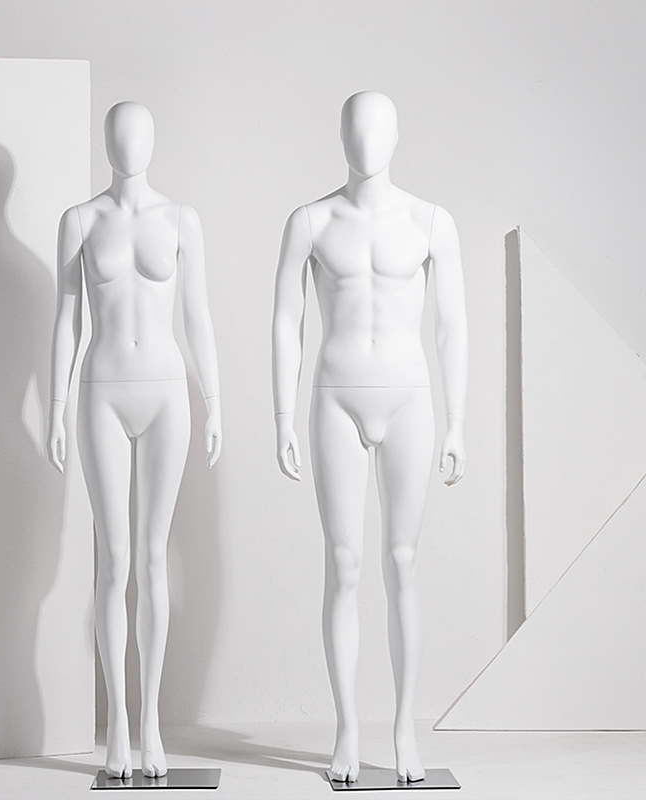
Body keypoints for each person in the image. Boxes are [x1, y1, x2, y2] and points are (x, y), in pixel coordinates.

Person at [271, 91, 467, 783]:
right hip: (336, 398)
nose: (367, 139)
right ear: (340, 134)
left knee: (403, 561)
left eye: (379, 127)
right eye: (355, 127)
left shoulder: (431, 221)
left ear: (397, 135)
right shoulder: (311, 221)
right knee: (345, 563)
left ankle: (406, 729)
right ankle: (348, 729)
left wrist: (458, 421)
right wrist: (282, 415)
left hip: (409, 398)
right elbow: (286, 319)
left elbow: (452, 325)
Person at [48, 102, 222, 778]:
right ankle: (117, 723)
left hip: (167, 392)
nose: (131, 143)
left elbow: (198, 315)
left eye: (141, 132)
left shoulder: (181, 219)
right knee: (113, 560)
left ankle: (150, 722)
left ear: (153, 141)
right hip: (101, 391)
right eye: (121, 133)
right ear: (106, 142)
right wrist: (55, 405)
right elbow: (66, 319)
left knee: (152, 558)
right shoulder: (79, 220)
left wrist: (216, 401)